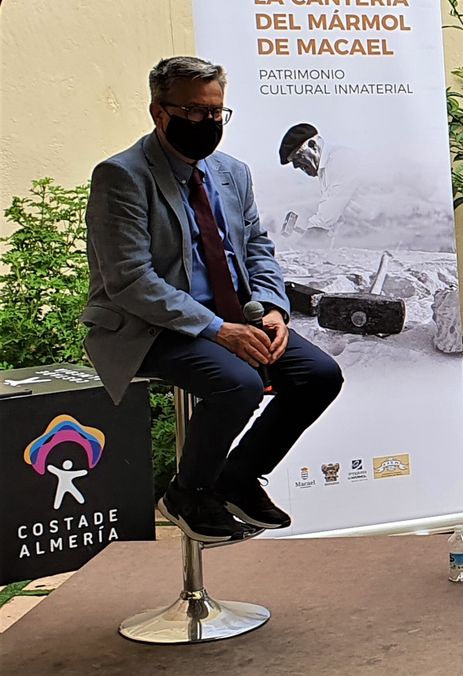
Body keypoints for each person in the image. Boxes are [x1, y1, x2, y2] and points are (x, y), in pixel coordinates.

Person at [83, 56, 344, 543]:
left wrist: (271, 307)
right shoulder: (120, 176)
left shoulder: (232, 172)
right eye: (195, 113)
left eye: (217, 113)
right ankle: (189, 491)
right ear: (159, 113)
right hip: (149, 325)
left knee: (319, 375)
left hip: (234, 316)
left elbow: (259, 247)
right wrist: (217, 330)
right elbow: (131, 281)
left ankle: (238, 477)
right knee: (238, 383)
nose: (208, 124)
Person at [278, 122, 359, 244]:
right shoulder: (326, 170)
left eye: (298, 156)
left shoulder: (339, 160)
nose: (295, 166)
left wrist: (307, 242)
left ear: (313, 145)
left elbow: (326, 217)